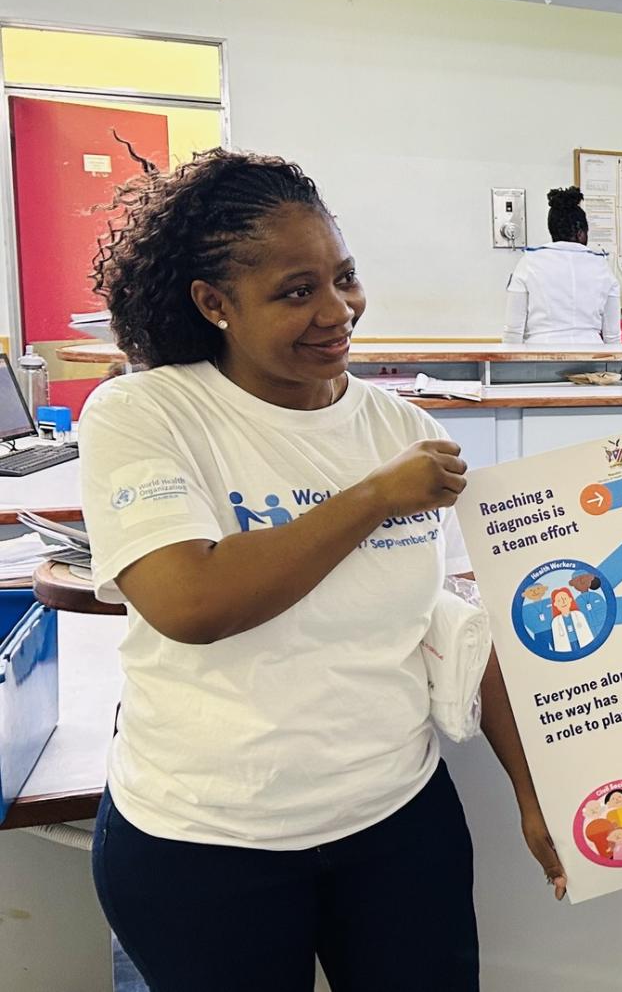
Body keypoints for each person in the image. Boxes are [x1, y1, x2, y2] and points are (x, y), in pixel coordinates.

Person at [79, 150, 568, 992]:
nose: (337, 311)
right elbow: (190, 599)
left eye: (344, 278)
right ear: (214, 303)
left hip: (394, 825)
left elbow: (463, 625)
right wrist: (376, 496)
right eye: (296, 291)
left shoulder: (399, 428)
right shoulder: (146, 412)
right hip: (204, 844)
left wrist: (539, 791)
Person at [502, 187, 621, 344]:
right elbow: (612, 336)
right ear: (581, 232)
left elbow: (513, 330)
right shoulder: (601, 265)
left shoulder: (529, 261)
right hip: (591, 354)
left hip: (540, 353)